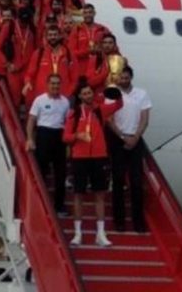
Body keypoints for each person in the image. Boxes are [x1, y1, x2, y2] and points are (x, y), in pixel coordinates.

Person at [63, 83, 124, 247]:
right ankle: (77, 233)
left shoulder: (100, 110)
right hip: (79, 157)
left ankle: (100, 234)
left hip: (99, 156)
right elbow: (66, 137)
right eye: (85, 93)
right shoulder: (74, 114)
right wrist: (78, 135)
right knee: (78, 194)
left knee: (100, 194)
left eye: (90, 93)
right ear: (80, 96)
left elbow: (119, 105)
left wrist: (115, 93)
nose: (88, 95)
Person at [107, 66, 151, 232]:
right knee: (118, 181)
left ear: (131, 77)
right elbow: (110, 120)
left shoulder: (142, 94)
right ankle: (119, 221)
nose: (123, 80)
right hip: (118, 139)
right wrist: (123, 137)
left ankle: (138, 222)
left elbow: (145, 119)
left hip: (135, 138)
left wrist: (135, 137)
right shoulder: (111, 94)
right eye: (121, 78)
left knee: (136, 182)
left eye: (126, 77)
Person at [26, 74, 70, 215]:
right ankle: (41, 206)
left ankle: (59, 206)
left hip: (59, 137)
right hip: (44, 135)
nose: (55, 86)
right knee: (41, 173)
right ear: (47, 84)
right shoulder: (39, 100)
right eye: (53, 83)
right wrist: (30, 139)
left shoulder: (65, 102)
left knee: (60, 174)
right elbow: (31, 121)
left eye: (58, 83)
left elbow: (68, 123)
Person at [22, 26, 78, 107]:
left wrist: (68, 93)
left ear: (60, 36)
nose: (53, 37)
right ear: (46, 37)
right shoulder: (39, 53)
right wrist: (27, 83)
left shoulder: (69, 54)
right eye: (50, 35)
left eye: (55, 35)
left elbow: (75, 78)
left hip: (63, 97)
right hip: (44, 97)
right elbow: (30, 73)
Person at [68, 3, 109, 76]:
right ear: (82, 14)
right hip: (81, 71)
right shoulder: (76, 30)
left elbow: (112, 48)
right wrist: (88, 51)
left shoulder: (103, 29)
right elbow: (71, 53)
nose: (88, 15)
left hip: (99, 69)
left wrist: (100, 52)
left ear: (94, 13)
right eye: (85, 13)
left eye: (90, 12)